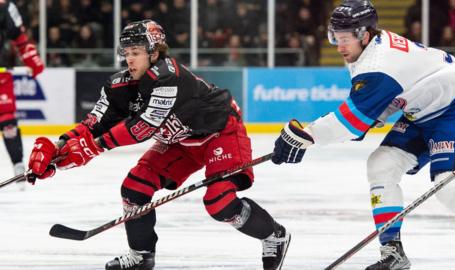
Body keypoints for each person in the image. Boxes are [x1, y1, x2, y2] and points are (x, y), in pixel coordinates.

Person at [27, 20, 290, 270]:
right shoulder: (117, 86)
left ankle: (274, 235)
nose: (129, 59)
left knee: (219, 201)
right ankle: (141, 256)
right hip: (180, 141)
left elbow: (143, 127)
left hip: (221, 133)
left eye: (137, 52)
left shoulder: (168, 76)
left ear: (154, 53)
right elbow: (93, 123)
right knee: (134, 188)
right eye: (127, 52)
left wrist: (93, 147)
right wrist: (57, 148)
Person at [272, 1, 455, 269]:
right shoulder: (367, 51)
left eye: (344, 38)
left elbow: (350, 123)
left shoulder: (379, 65)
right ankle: (392, 252)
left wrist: (306, 135)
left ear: (364, 35)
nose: (339, 45)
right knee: (381, 163)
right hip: (420, 113)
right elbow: (369, 113)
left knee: (451, 186)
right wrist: (365, 120)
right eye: (334, 37)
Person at [0, 0, 44, 186]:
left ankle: (18, 163)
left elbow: (19, 36)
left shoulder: (4, 6)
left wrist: (32, 59)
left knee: (7, 118)